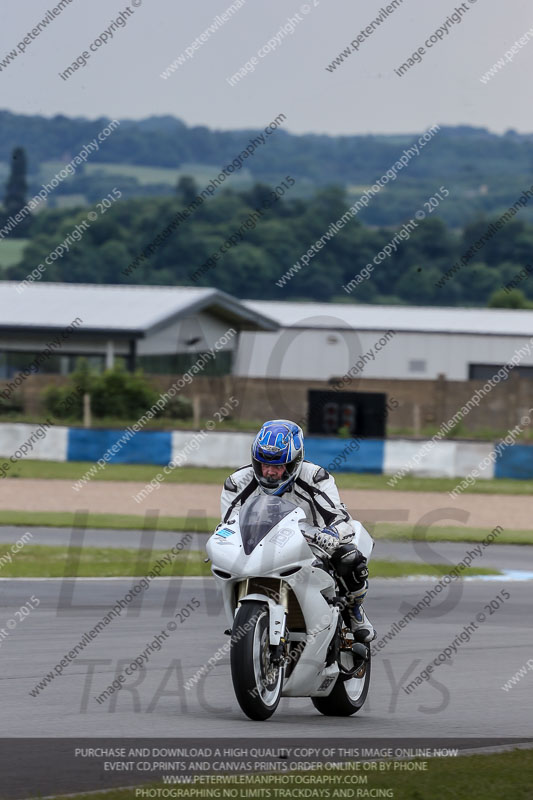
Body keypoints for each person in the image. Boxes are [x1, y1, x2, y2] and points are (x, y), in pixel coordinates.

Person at [220, 419, 375, 642]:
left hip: (313, 544)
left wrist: (331, 534)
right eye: (263, 464)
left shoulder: (315, 478)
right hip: (261, 546)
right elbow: (228, 526)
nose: (270, 472)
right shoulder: (237, 483)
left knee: (349, 557)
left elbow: (341, 520)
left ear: (295, 462)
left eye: (278, 466)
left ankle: (353, 609)